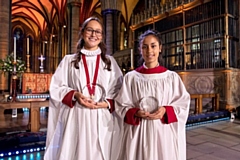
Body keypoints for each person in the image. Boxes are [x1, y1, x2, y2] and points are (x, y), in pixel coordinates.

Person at [44, 17, 123, 160]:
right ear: (82, 32)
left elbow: (119, 90)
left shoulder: (110, 62)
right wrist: (75, 95)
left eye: (98, 31)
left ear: (102, 36)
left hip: (102, 117)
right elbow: (56, 87)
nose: (94, 35)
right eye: (90, 30)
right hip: (77, 115)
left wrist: (107, 103)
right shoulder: (69, 60)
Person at [115, 30, 190, 160]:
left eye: (153, 46)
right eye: (145, 47)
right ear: (140, 50)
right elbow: (121, 105)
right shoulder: (131, 78)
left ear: (160, 48)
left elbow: (183, 104)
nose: (149, 51)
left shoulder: (171, 77)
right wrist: (135, 112)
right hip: (138, 132)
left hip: (162, 131)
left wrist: (166, 110)